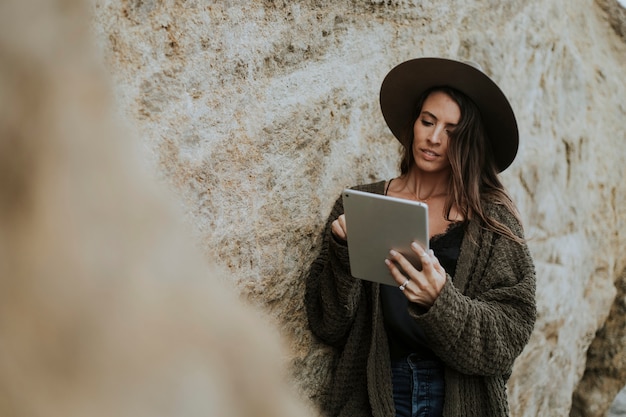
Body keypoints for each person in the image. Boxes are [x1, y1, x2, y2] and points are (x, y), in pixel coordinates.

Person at [304, 57, 537, 417]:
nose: (433, 137)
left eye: (451, 130)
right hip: (373, 393)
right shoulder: (361, 203)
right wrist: (341, 254)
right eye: (427, 121)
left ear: (468, 142)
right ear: (413, 122)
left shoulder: (493, 222)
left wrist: (440, 301)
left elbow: (509, 335)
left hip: (458, 399)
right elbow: (328, 325)